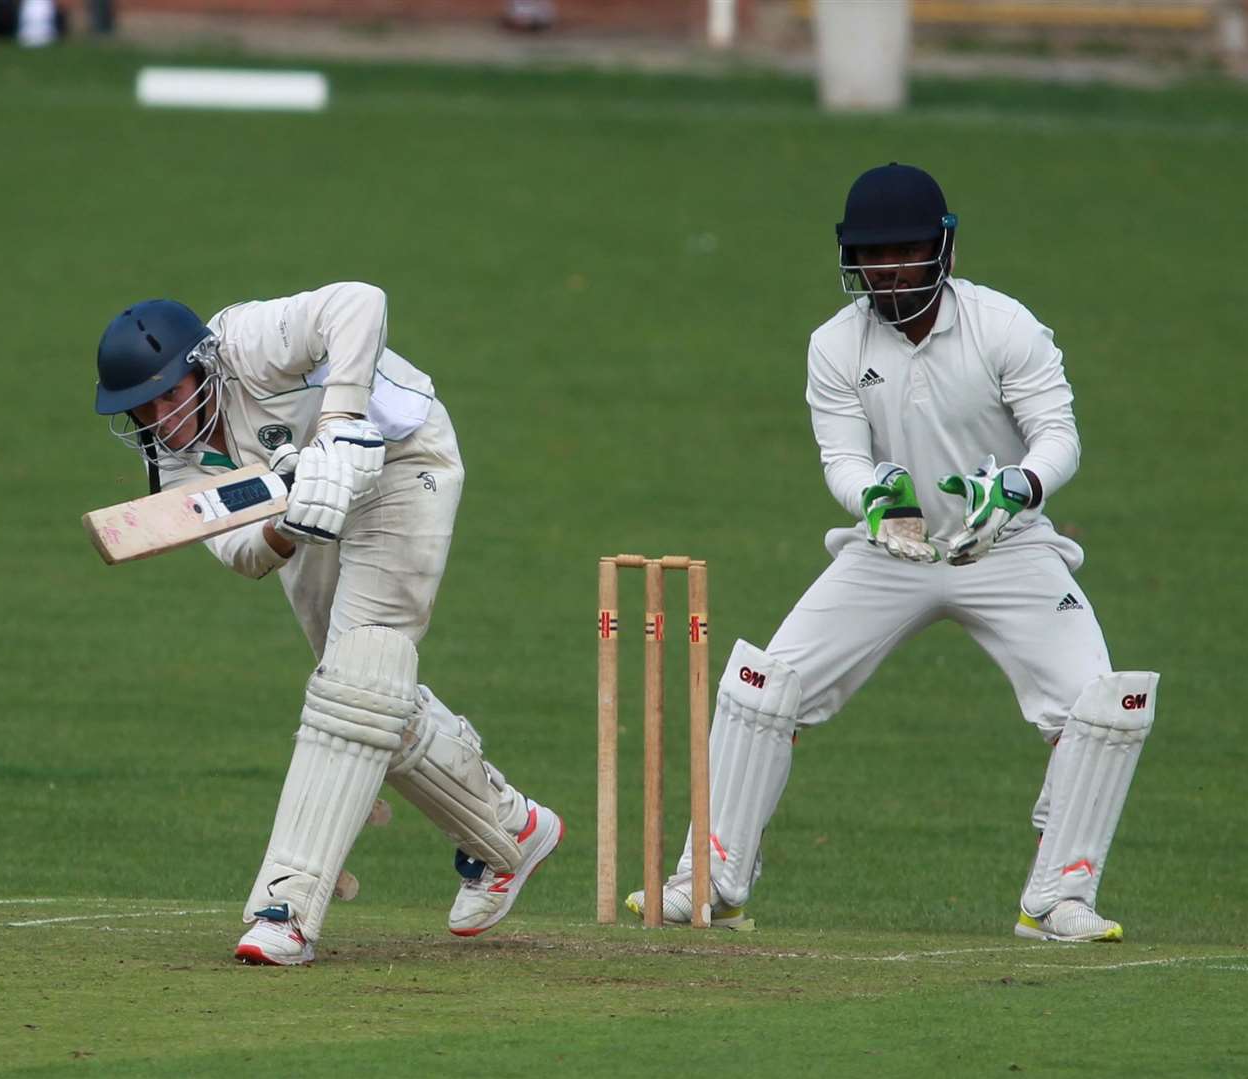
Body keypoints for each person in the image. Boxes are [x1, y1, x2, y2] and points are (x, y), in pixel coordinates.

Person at [629, 163, 1157, 943]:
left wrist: (1017, 484)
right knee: (761, 685)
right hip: (892, 552)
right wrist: (875, 493)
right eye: (872, 254)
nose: (887, 270)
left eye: (904, 251)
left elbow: (1059, 437)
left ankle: (1056, 901)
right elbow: (840, 457)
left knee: (1103, 706)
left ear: (942, 248)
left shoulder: (1004, 326)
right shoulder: (834, 344)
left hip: (1002, 547)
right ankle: (710, 883)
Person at [92, 283, 564, 965]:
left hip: (401, 462)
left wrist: (340, 421)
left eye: (173, 395)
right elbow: (246, 554)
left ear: (203, 366)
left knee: (360, 680)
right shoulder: (173, 464)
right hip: (307, 508)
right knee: (361, 697)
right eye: (147, 408)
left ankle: (285, 909)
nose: (166, 419)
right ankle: (512, 832)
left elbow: (359, 301)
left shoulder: (248, 342)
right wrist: (287, 523)